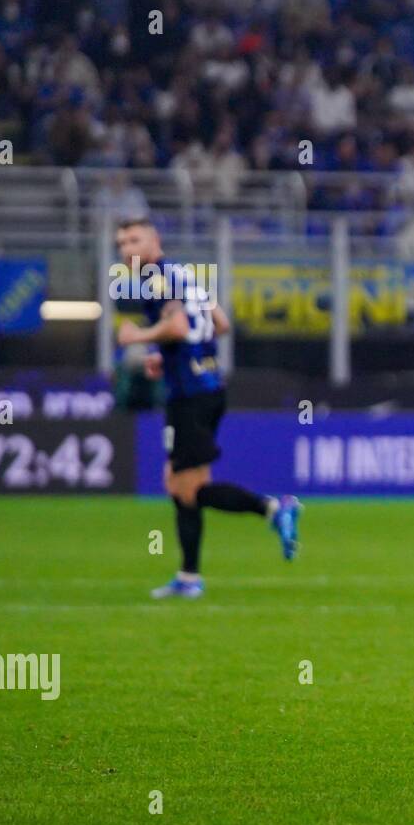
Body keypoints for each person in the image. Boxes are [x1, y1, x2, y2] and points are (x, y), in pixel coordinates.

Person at [113, 218, 301, 599]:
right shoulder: (184, 274)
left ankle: (272, 508)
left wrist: (140, 337)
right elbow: (220, 323)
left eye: (135, 240)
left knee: (186, 488)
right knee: (180, 483)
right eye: (121, 243)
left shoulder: (155, 278)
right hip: (208, 387)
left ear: (155, 241)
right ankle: (188, 576)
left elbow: (180, 327)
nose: (127, 249)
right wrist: (170, 357)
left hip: (189, 396)